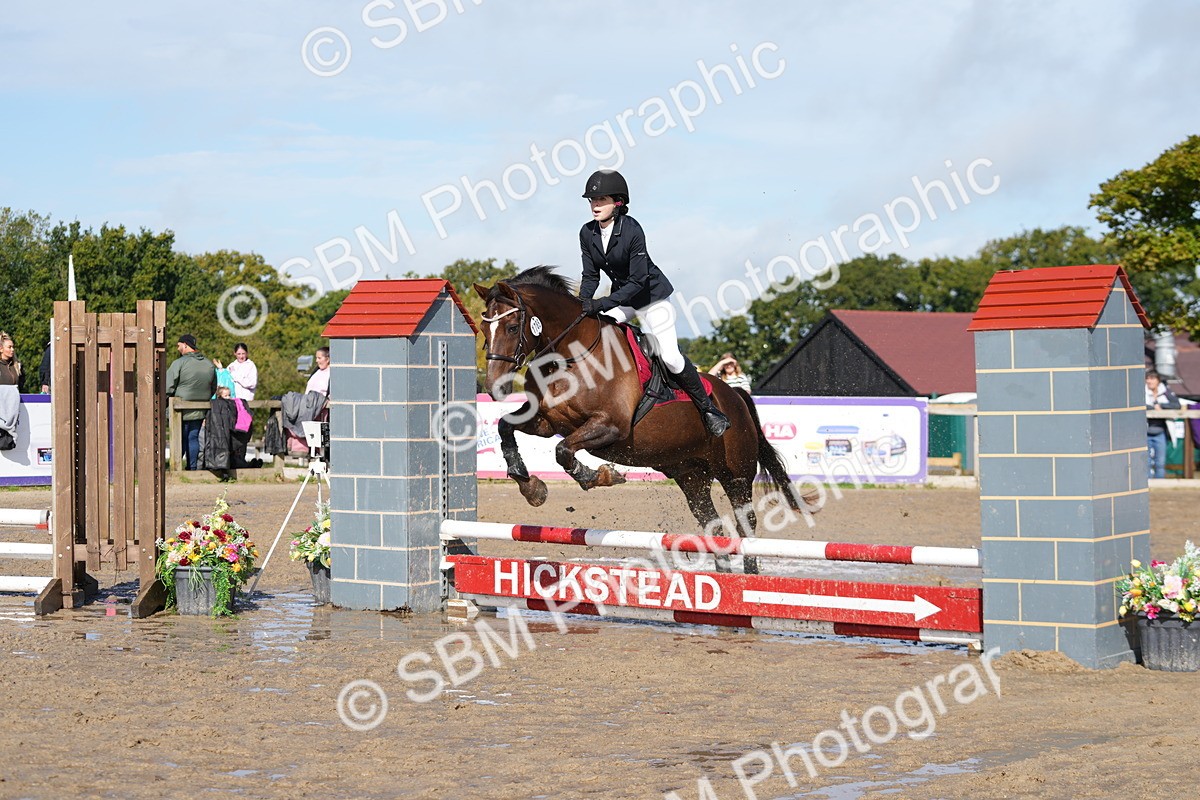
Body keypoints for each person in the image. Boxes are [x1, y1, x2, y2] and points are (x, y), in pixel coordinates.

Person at [577, 169, 729, 436]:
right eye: (592, 200)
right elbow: (590, 276)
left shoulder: (632, 229)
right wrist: (582, 303)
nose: (595, 205)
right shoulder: (587, 233)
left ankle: (708, 408)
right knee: (598, 335)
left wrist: (601, 304)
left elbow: (637, 282)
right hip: (623, 300)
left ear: (618, 202)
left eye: (601, 199)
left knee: (669, 356)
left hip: (650, 298)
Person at [166, 334, 217, 470]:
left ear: (185, 345)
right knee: (193, 437)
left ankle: (176, 469)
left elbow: (168, 386)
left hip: (180, 409)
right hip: (200, 409)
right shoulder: (209, 364)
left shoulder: (179, 363)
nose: (178, 349)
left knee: (180, 438)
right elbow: (213, 388)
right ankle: (192, 468)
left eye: (178, 345)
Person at [1146, 369, 1180, 480]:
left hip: (1160, 432)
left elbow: (1176, 404)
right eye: (1147, 378)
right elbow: (1138, 405)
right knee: (1145, 462)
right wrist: (1153, 408)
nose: (1149, 381)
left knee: (1160, 462)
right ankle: (1147, 484)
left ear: (1158, 381)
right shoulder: (1142, 392)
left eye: (1152, 378)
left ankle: (1160, 483)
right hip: (1145, 432)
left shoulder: (1165, 391)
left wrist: (1161, 406)